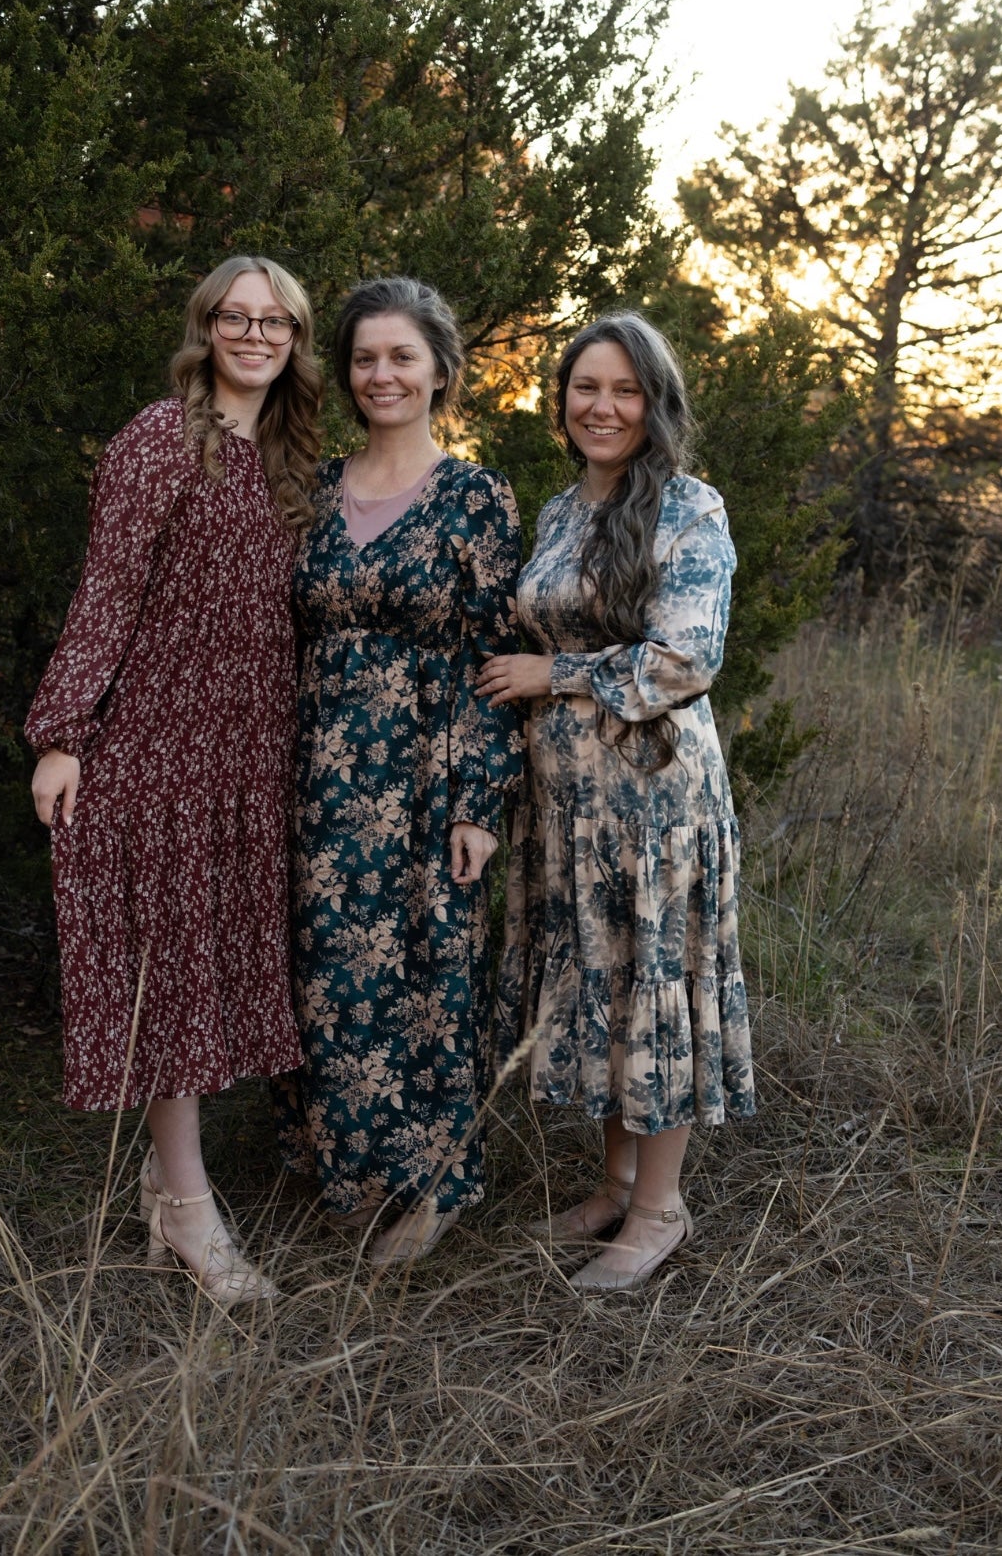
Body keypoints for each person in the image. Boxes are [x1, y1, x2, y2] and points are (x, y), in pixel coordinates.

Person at [26, 255, 322, 1309]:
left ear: (294, 336)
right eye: (234, 318)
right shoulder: (161, 439)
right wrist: (64, 732)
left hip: (246, 751)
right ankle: (193, 1211)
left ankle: (167, 1183)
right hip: (154, 744)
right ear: (205, 330)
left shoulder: (295, 454)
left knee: (211, 959)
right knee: (172, 970)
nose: (254, 335)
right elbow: (106, 590)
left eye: (273, 320)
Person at [477, 311, 755, 1292]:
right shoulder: (559, 512)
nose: (602, 405)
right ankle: (616, 1178)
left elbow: (688, 655)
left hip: (654, 804)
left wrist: (556, 674)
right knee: (603, 984)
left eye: (624, 389)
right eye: (585, 386)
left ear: (654, 403)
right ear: (561, 400)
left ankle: (659, 1208)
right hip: (570, 806)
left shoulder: (689, 508)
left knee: (652, 992)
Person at [274, 277, 524, 1264]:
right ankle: (345, 1170)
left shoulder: (475, 497)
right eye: (366, 358)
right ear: (346, 374)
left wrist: (479, 803)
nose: (383, 374)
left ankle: (434, 1186)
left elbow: (495, 661)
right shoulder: (311, 490)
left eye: (402, 357)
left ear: (440, 372)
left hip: (426, 775)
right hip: (318, 772)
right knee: (329, 976)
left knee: (431, 977)